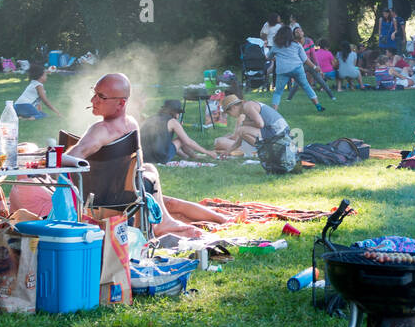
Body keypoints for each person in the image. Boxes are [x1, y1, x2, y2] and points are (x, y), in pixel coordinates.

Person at [65, 74, 232, 238]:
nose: (93, 100)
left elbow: (73, 156)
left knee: (153, 177)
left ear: (121, 103)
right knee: (154, 180)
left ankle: (169, 221)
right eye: (94, 93)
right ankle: (171, 221)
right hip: (121, 196)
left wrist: (47, 159)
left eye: (100, 96)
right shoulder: (130, 124)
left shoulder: (101, 130)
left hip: (104, 198)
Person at [213, 93, 290, 156]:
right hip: (276, 130)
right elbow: (240, 138)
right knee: (242, 130)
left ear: (233, 107)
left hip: (279, 131)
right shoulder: (245, 110)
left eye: (229, 113)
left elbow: (260, 124)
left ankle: (266, 151)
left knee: (241, 129)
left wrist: (245, 123)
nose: (230, 116)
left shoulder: (247, 106)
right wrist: (228, 151)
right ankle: (266, 150)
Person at [268, 26, 323, 111]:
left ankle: (274, 111)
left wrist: (274, 58)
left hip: (282, 70)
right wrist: (315, 67)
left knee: (278, 92)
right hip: (297, 68)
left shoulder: (276, 45)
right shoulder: (297, 44)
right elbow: (305, 59)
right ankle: (318, 106)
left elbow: (268, 57)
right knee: (306, 86)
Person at [140, 100, 216, 163]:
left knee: (176, 141)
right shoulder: (173, 122)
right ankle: (195, 156)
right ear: (174, 112)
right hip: (159, 158)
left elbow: (160, 140)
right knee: (181, 140)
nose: (179, 115)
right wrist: (207, 152)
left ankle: (185, 156)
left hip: (145, 157)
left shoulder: (151, 118)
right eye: (178, 112)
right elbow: (188, 142)